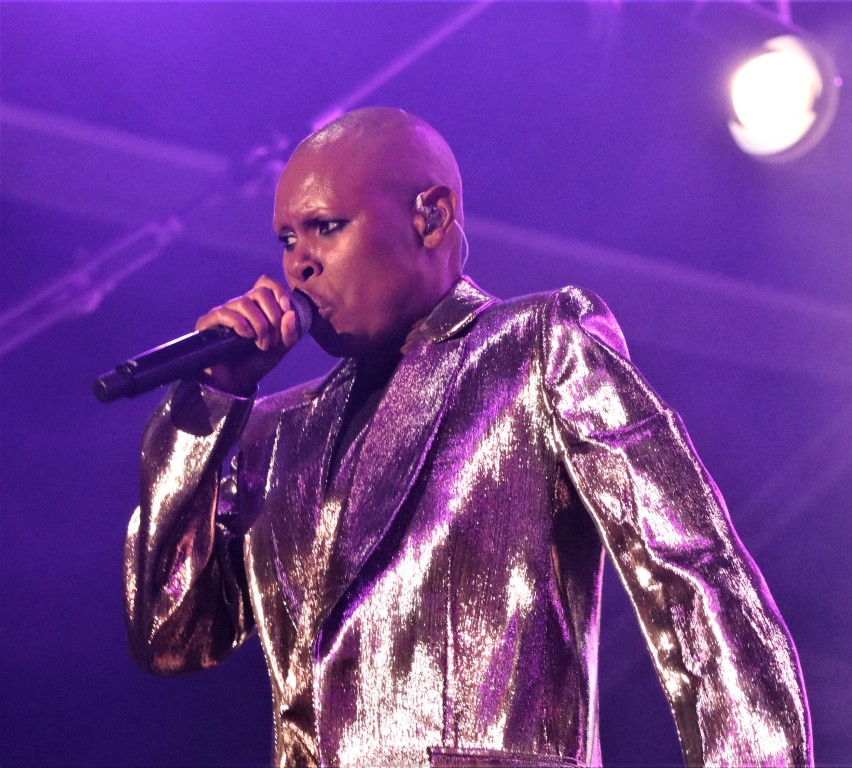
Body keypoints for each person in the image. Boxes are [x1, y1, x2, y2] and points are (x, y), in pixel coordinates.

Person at [125, 107, 812, 768]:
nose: (299, 262)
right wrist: (210, 402)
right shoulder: (277, 432)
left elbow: (693, 577)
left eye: (326, 227)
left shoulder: (537, 347)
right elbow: (168, 634)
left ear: (430, 217)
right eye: (286, 240)